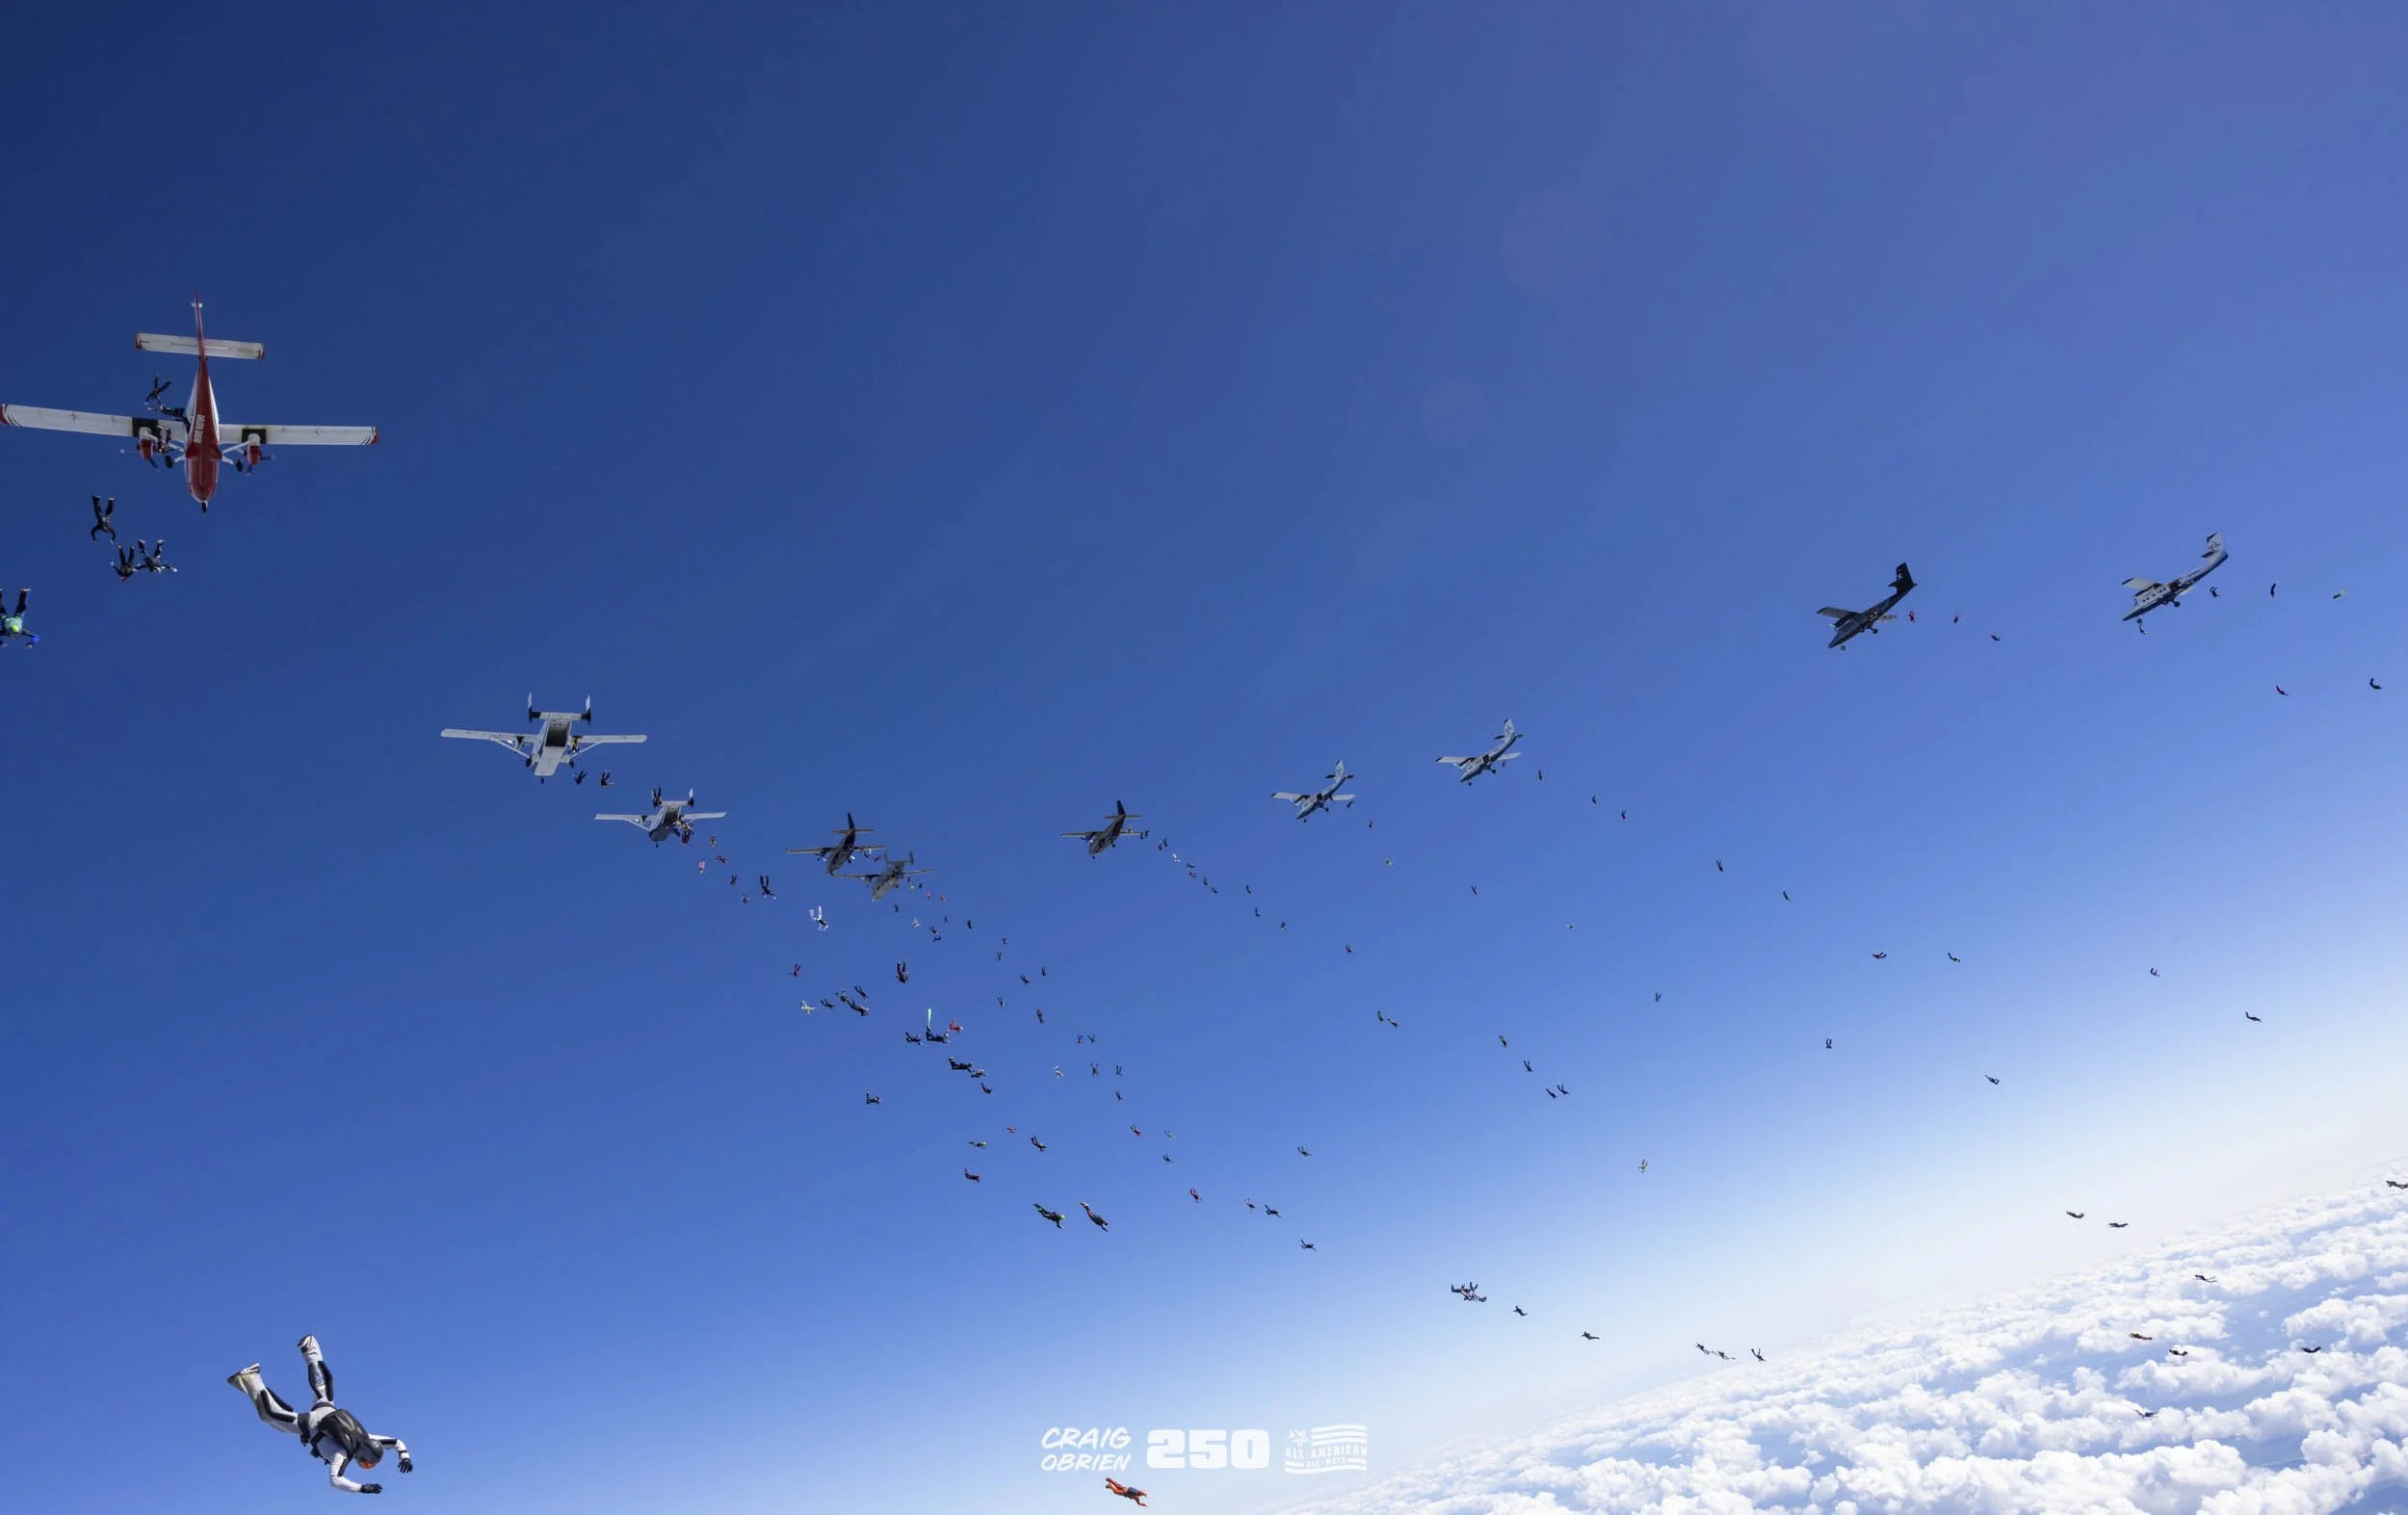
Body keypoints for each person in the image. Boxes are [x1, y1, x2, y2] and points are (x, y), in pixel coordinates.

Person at [229, 1335, 412, 1494]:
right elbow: (336, 1481)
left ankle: (311, 1349)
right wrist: (362, 1488)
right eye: (367, 1463)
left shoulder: (368, 1437)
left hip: (328, 1410)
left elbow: (396, 1442)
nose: (365, 1465)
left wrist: (405, 1456)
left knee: (321, 1387)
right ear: (364, 1455)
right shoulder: (343, 1454)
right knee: (271, 1415)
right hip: (310, 1424)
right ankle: (252, 1380)